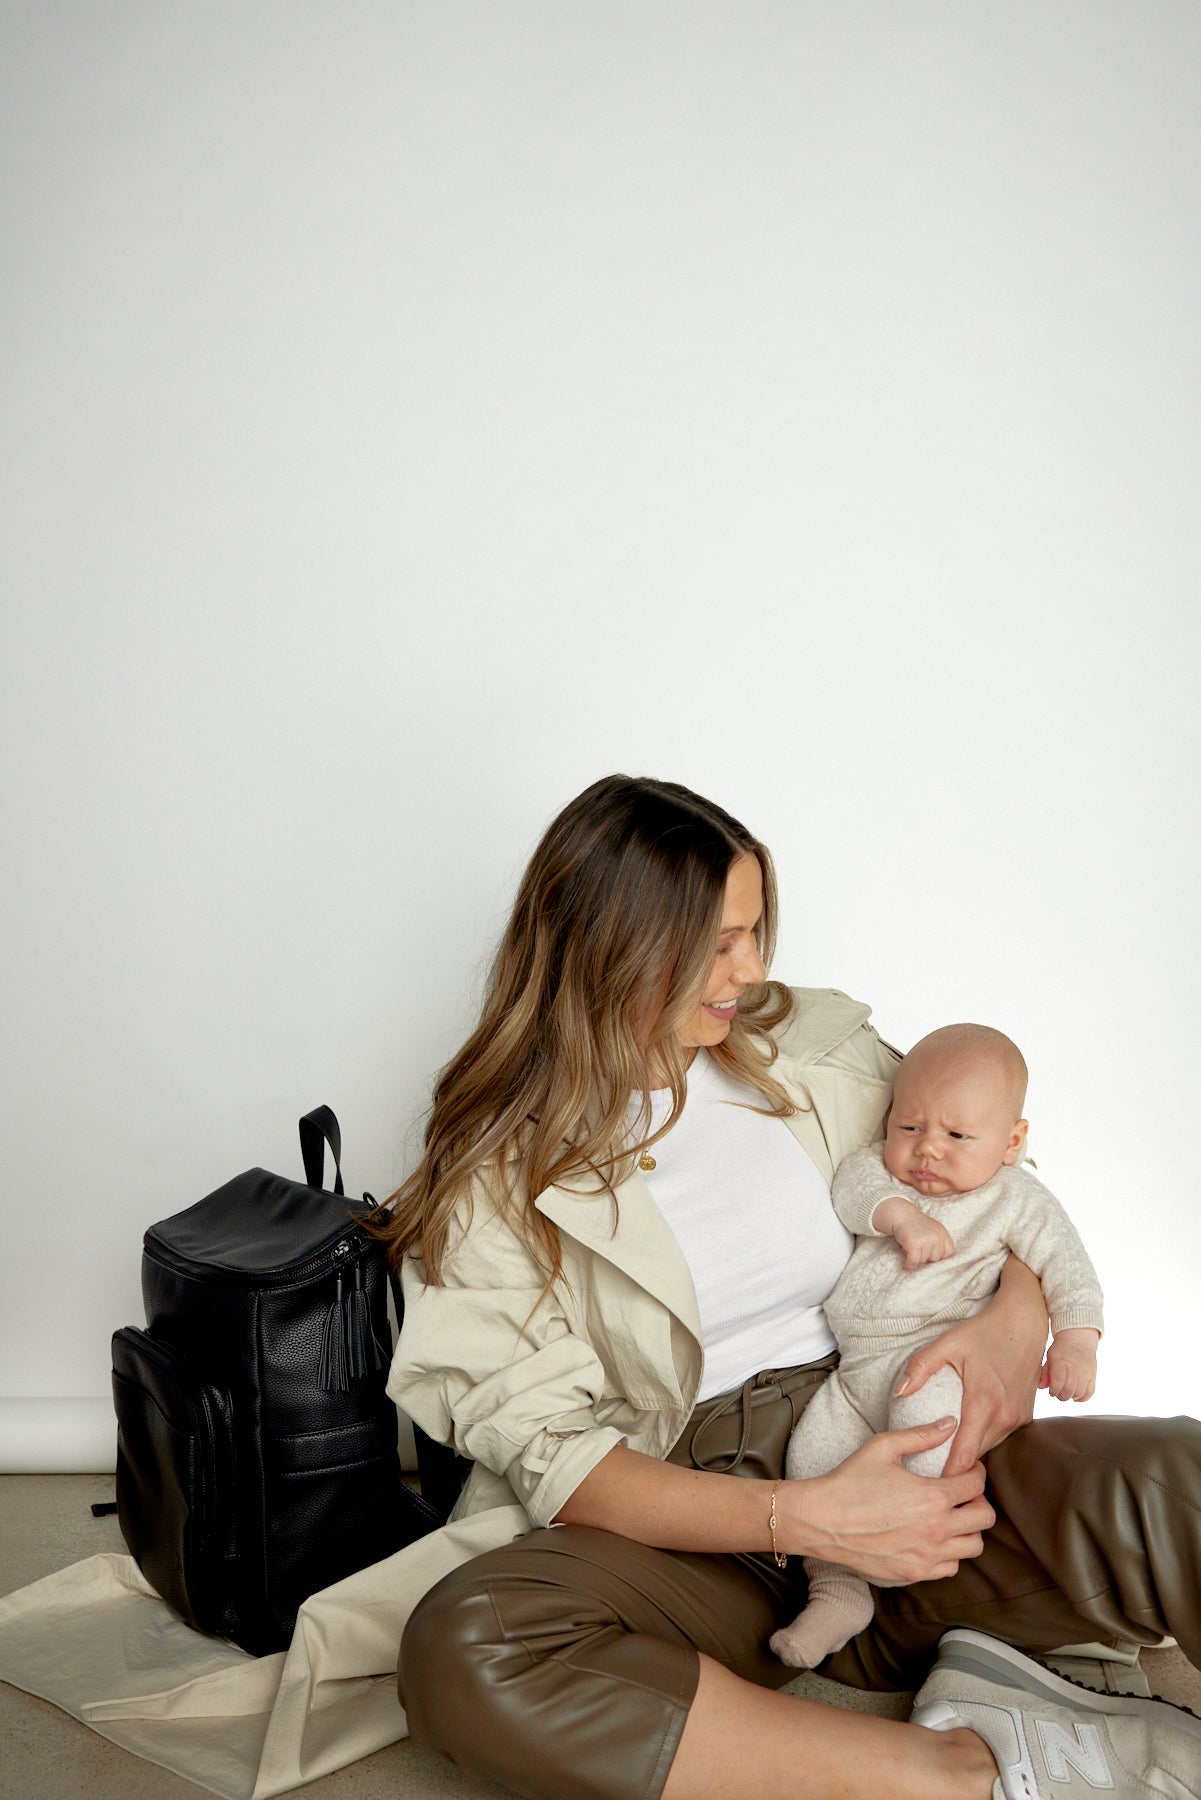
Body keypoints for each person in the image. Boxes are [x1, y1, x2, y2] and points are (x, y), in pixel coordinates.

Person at [378, 774, 1201, 1800]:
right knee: (468, 1646)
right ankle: (962, 1769)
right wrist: (805, 1520)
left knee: (1183, 1475)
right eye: (717, 944)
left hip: (922, 1451)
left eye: (755, 930)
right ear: (613, 944)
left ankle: (975, 1657)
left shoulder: (805, 1051)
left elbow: (986, 1167)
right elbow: (559, 1457)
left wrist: (1012, 1319)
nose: (752, 968)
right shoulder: (493, 1179)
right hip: (708, 1541)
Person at [770, 1023, 1104, 1671]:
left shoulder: (1016, 1199)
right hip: (857, 1374)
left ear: (1011, 1142)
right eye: (909, 1127)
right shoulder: (881, 1175)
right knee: (808, 1459)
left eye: (956, 1135)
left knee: (929, 1437)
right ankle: (837, 1591)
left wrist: (1075, 1341)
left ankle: (899, 1566)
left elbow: (1069, 1268)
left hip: (941, 1363)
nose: (926, 1151)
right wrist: (901, 1216)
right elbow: (852, 1190)